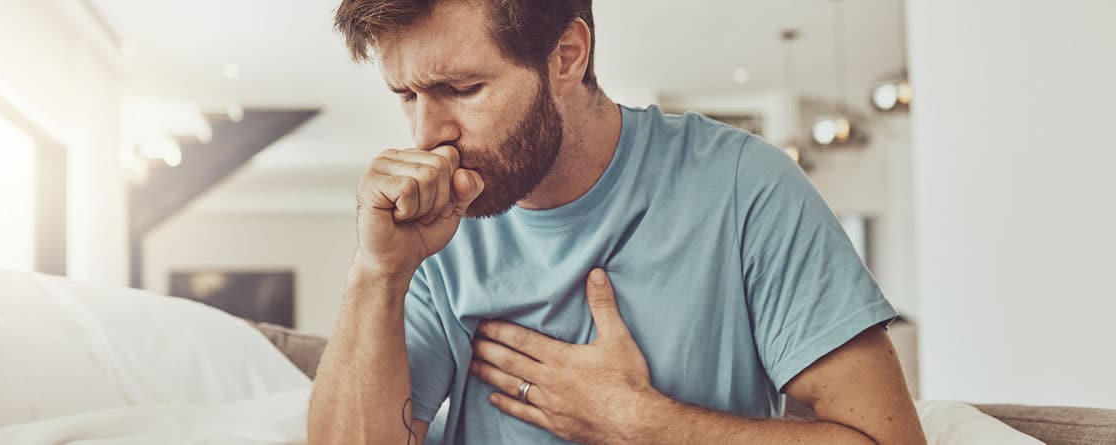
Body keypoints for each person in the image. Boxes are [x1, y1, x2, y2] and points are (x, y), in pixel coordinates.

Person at [308, 0, 926, 443]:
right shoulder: (428, 226)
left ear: (567, 57)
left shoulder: (744, 185)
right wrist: (378, 274)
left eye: (464, 88)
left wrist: (645, 426)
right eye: (407, 96)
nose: (429, 136)